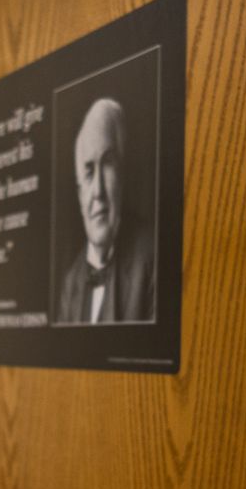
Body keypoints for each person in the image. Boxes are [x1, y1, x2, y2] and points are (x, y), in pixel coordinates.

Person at [55, 97, 155, 324]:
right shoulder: (70, 284)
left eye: (108, 164)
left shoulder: (153, 258)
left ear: (123, 176)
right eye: (89, 172)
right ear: (80, 194)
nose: (98, 191)